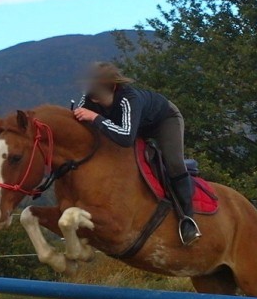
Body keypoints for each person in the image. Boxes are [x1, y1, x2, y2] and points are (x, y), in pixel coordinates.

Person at [74, 62, 201, 246]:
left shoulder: (128, 99)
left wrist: (95, 117)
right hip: (133, 126)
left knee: (173, 163)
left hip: (163, 120)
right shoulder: (90, 96)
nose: (94, 100)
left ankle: (188, 220)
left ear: (113, 87)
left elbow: (126, 137)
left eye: (99, 96)